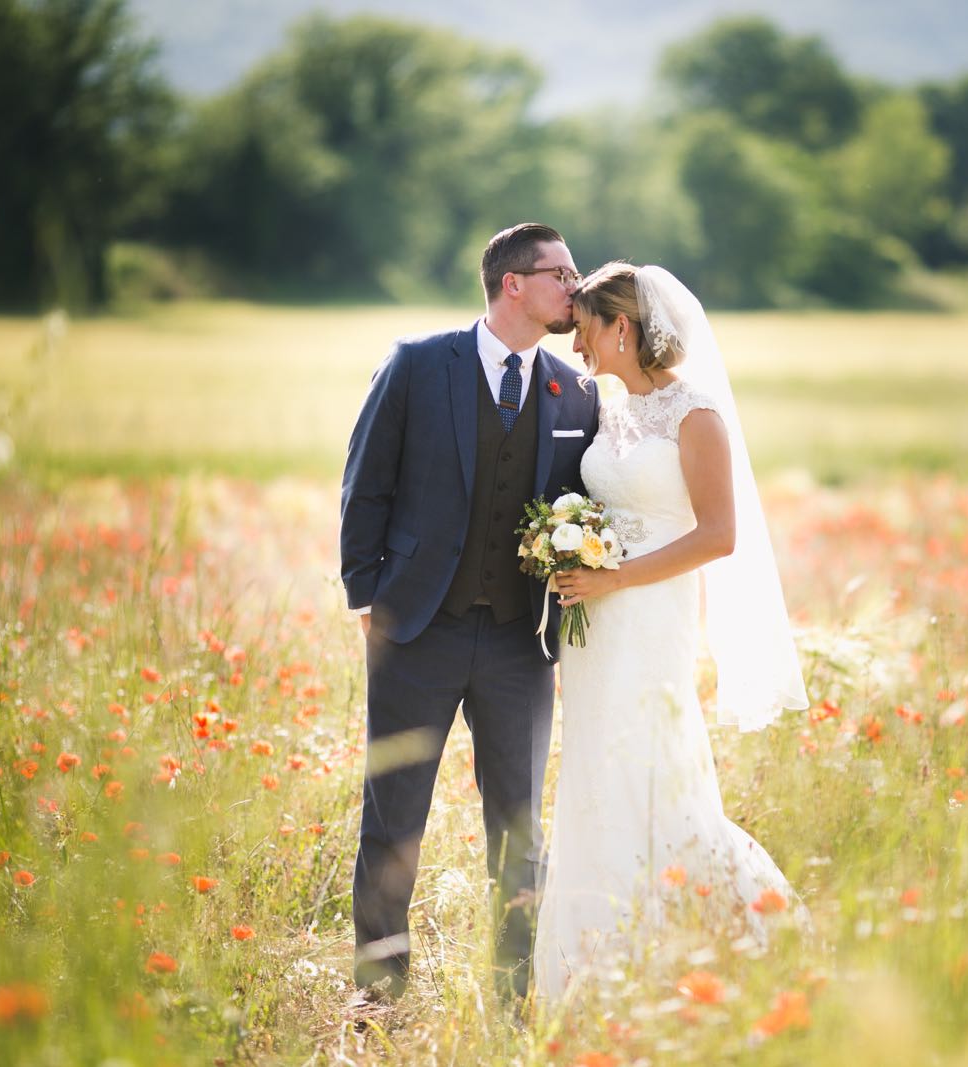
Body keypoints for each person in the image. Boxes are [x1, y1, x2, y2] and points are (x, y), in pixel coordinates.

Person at [532, 262, 809, 1000]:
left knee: (654, 763)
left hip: (649, 615)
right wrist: (571, 541)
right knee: (595, 769)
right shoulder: (611, 411)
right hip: (592, 622)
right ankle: (594, 959)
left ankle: (709, 936)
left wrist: (616, 576)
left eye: (587, 329)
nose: (580, 345)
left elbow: (720, 535)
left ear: (622, 327)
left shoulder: (697, 416)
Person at [339, 223, 599, 1006]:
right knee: (394, 820)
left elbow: (586, 507)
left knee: (519, 830)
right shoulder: (418, 365)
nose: (575, 287)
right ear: (512, 284)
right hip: (417, 631)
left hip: (523, 645)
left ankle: (514, 995)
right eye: (562, 273)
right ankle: (378, 992)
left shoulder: (575, 391)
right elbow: (366, 483)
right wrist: (365, 598)